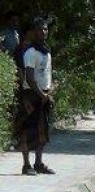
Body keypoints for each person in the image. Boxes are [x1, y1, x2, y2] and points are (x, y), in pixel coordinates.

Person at [16, 17, 56, 175]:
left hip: (44, 94)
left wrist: (49, 91)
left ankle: (38, 163)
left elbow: (46, 74)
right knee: (27, 130)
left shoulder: (46, 51)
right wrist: (42, 95)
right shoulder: (30, 52)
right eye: (40, 29)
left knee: (42, 131)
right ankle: (26, 165)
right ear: (33, 32)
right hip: (32, 95)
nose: (43, 32)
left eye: (45, 29)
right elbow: (30, 78)